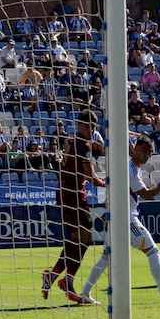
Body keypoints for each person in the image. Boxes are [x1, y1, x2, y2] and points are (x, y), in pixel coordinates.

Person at [79, 138, 160, 305]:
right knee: (153, 251)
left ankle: (85, 293)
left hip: (114, 218)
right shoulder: (130, 170)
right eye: (144, 150)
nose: (147, 155)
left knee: (106, 258)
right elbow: (147, 195)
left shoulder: (131, 169)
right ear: (135, 149)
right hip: (127, 219)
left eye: (150, 152)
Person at [42, 110, 106, 303]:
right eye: (89, 126)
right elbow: (90, 176)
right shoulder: (81, 144)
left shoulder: (75, 141)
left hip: (69, 192)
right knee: (84, 236)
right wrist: (107, 182)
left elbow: (97, 151)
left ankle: (56, 277)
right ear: (80, 125)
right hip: (71, 194)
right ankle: (65, 281)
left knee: (78, 239)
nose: (92, 130)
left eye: (94, 127)